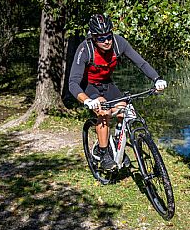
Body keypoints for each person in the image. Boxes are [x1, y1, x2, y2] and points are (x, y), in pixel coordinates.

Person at [69, 14, 167, 171]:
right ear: (93, 37)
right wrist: (87, 100)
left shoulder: (118, 43)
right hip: (89, 86)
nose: (106, 41)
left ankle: (116, 144)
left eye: (108, 36)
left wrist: (157, 78)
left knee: (126, 111)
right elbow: (73, 82)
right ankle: (103, 153)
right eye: (101, 38)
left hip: (107, 83)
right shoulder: (85, 49)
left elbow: (140, 63)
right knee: (103, 111)